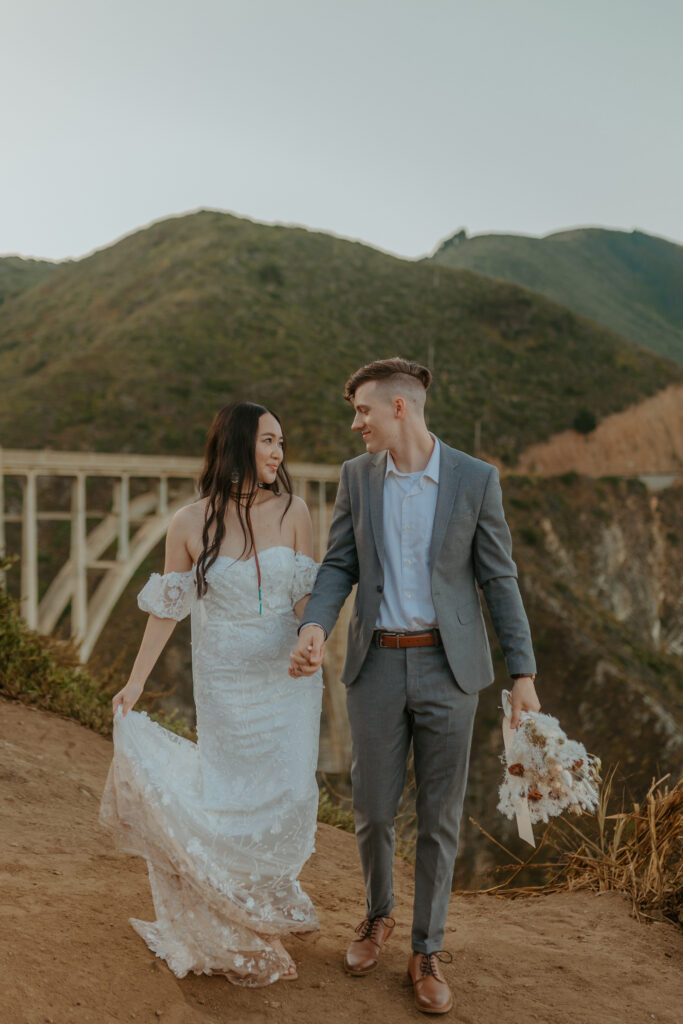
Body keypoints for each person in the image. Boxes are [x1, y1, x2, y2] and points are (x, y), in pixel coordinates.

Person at [289, 357, 540, 1015]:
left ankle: (425, 950)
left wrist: (523, 675)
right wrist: (316, 624)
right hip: (374, 665)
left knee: (439, 818)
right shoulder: (355, 478)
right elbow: (339, 562)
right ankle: (377, 916)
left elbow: (498, 579)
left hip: (448, 671)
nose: (355, 423)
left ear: (398, 408)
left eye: (363, 411)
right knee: (371, 809)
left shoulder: (474, 479)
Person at [100, 402, 323, 987]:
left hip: (288, 681)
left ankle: (258, 897)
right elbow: (168, 611)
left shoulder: (297, 511)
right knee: (230, 794)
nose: (278, 452)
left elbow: (307, 604)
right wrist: (136, 680)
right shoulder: (187, 522)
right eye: (269, 440)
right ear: (239, 444)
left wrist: (311, 643)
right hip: (225, 682)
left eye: (282, 442)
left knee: (291, 791)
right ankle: (230, 913)